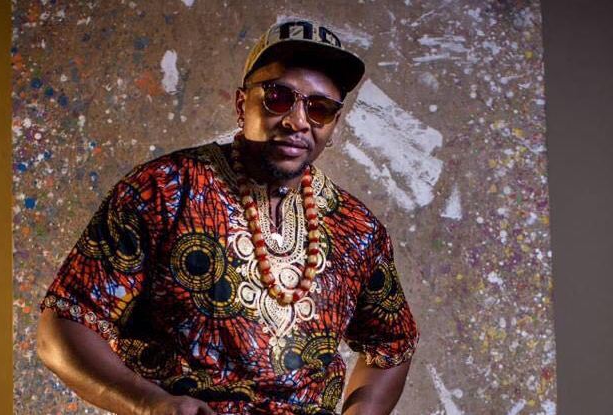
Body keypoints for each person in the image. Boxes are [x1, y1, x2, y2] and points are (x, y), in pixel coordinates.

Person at [37, 19, 419, 415]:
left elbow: (393, 343)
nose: (297, 121)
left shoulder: (356, 228)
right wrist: (151, 404)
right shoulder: (165, 189)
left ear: (334, 125)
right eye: (278, 98)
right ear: (241, 104)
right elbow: (63, 325)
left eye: (319, 109)